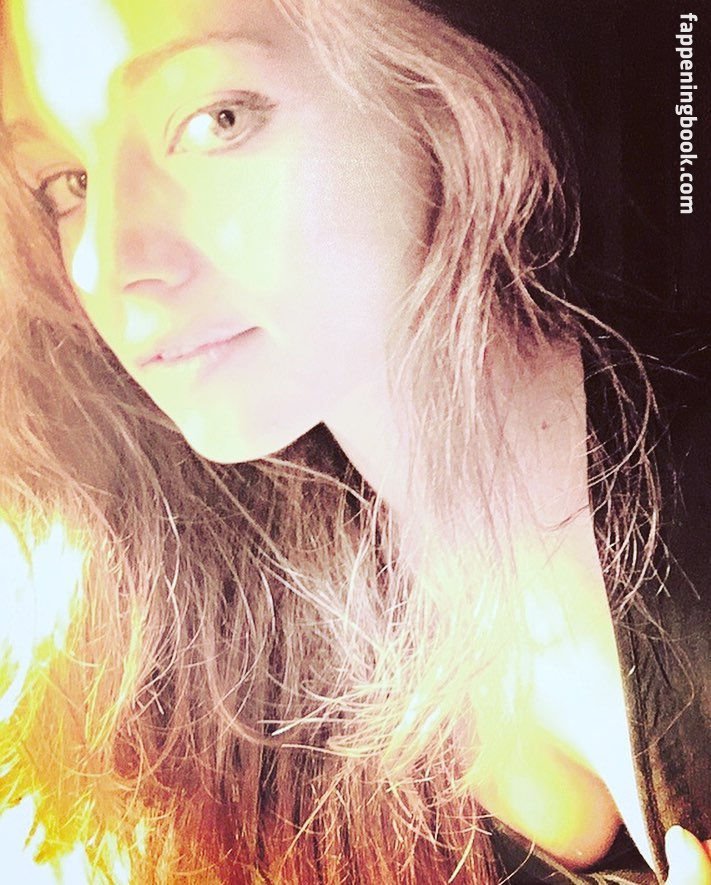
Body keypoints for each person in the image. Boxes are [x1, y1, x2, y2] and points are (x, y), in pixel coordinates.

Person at [0, 0, 708, 882]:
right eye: (66, 181)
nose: (107, 262)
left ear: (430, 93)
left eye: (218, 120)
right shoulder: (226, 675)